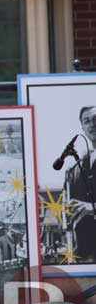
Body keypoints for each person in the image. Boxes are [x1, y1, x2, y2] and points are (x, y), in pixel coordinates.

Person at [66, 106, 96, 262]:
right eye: (87, 121)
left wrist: (92, 208)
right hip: (86, 254)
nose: (92, 124)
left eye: (95, 119)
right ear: (82, 128)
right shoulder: (82, 163)